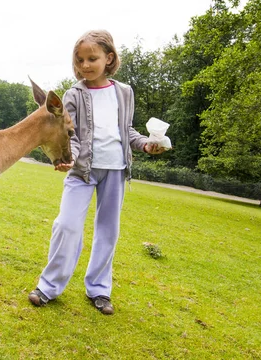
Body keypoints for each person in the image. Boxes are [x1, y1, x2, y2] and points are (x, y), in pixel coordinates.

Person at [28, 30, 165, 315]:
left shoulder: (124, 92)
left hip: (116, 170)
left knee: (107, 232)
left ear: (109, 58)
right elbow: (72, 136)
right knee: (66, 226)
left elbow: (126, 131)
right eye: (79, 60)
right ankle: (49, 286)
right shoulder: (73, 94)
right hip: (81, 171)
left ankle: (99, 290)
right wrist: (70, 158)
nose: (85, 65)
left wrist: (146, 145)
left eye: (92, 58)